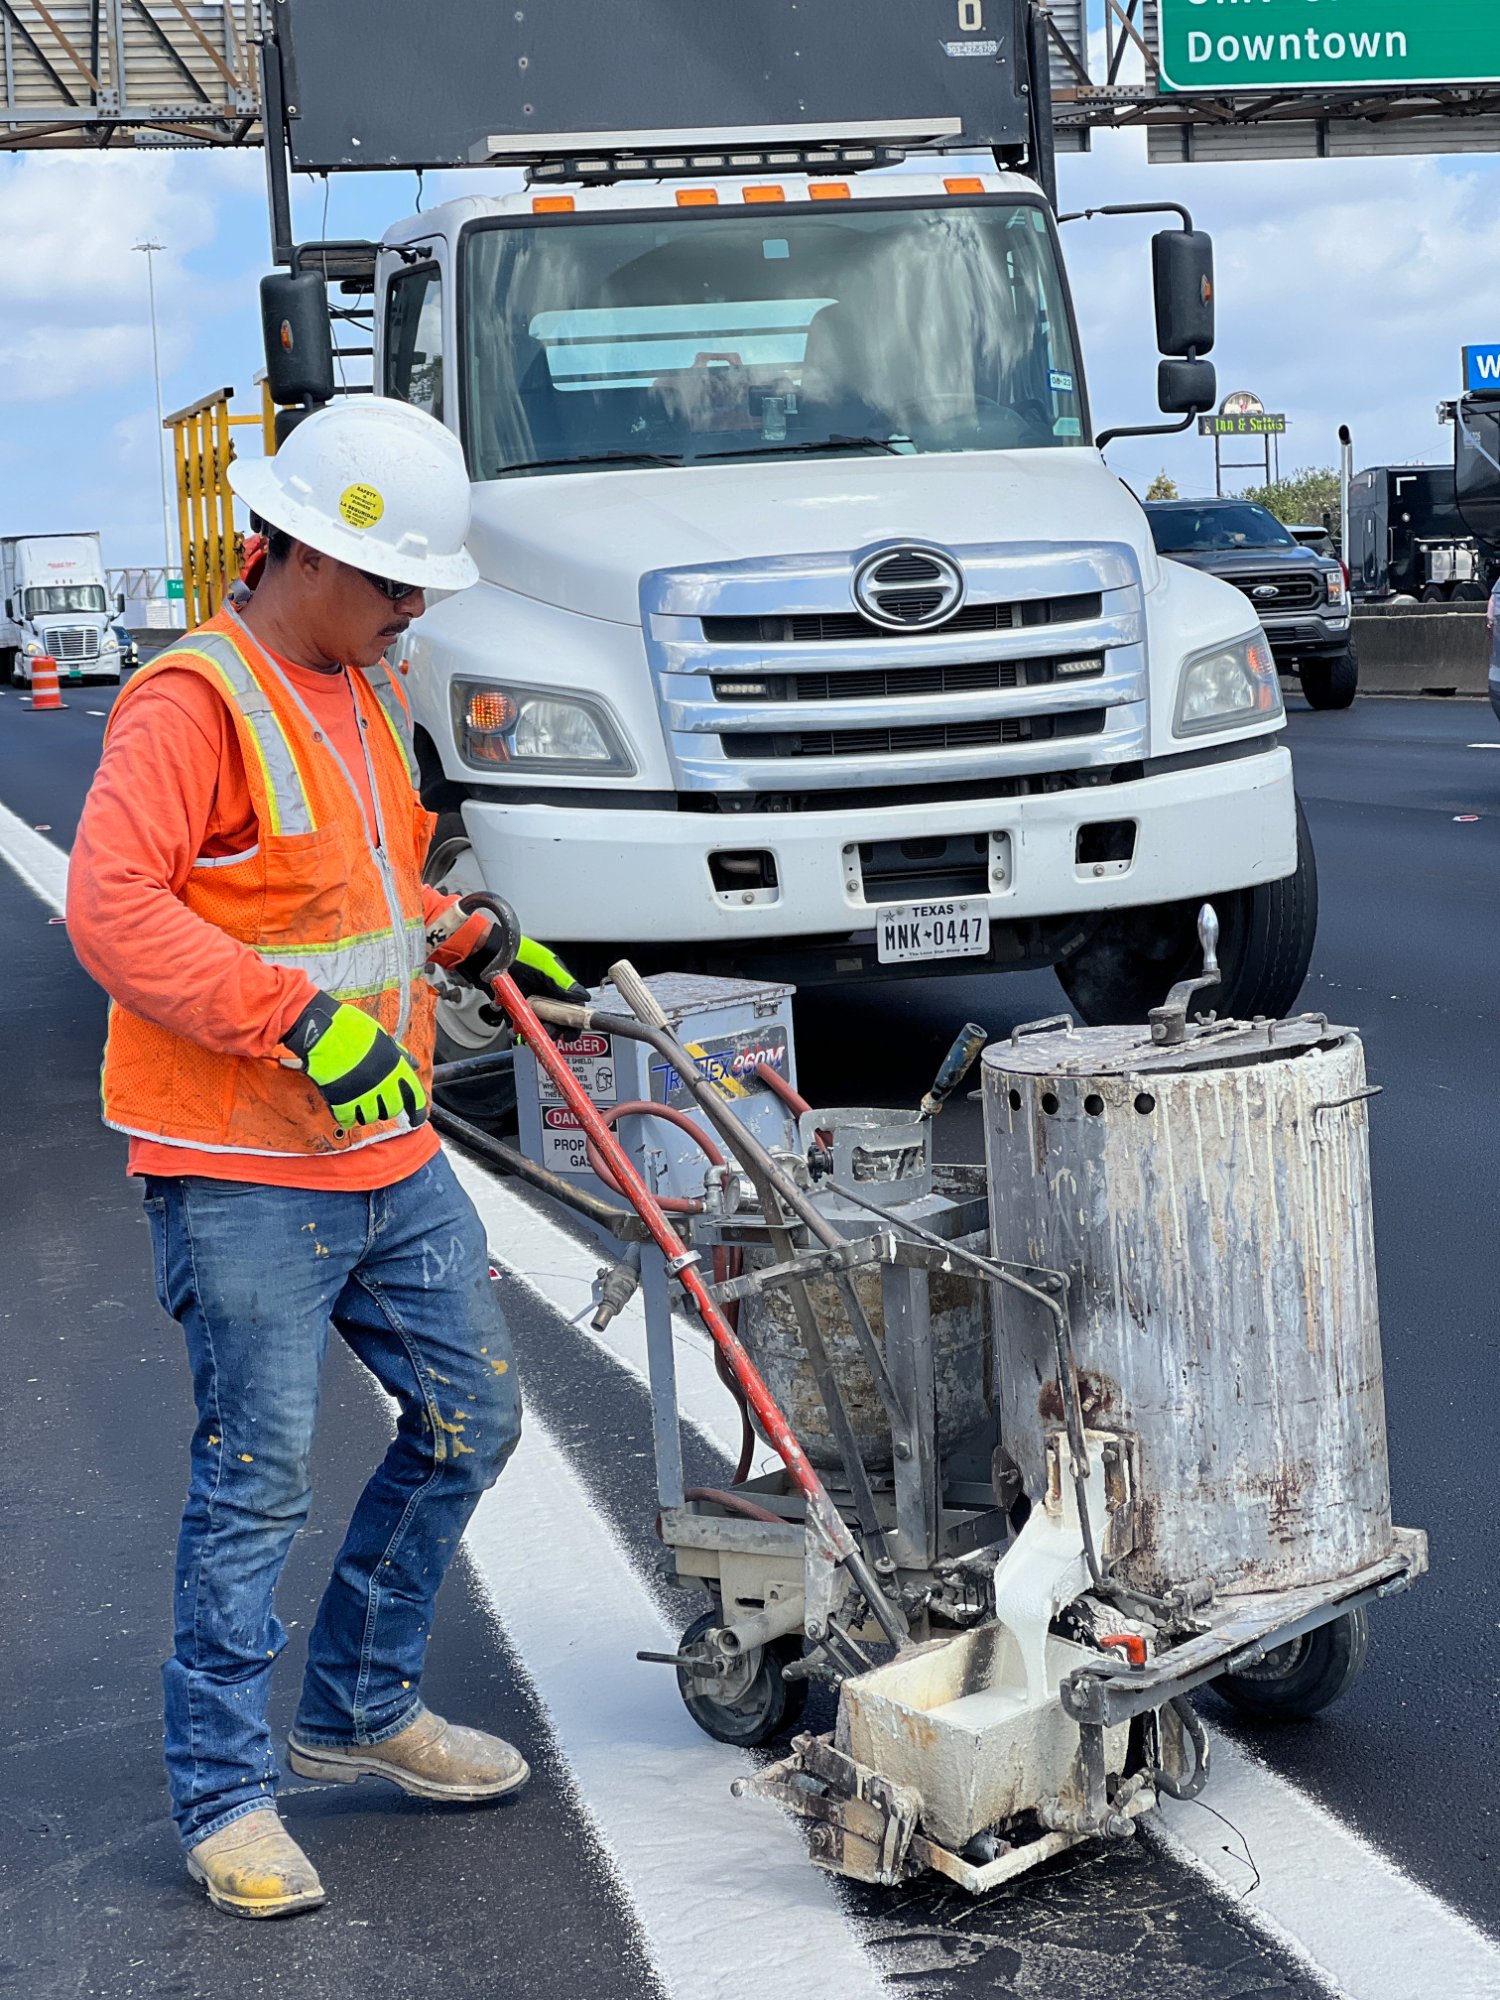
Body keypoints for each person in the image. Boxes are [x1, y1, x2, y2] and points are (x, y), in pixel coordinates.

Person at [67, 397, 585, 1921]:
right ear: (299, 551)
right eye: (393, 581)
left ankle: (360, 1703)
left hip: (384, 1152)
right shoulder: (190, 703)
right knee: (258, 1484)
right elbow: (116, 911)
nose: (414, 606)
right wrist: (296, 1024)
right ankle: (226, 1795)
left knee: (470, 1421)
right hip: (239, 1164)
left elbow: (353, 883)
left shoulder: (360, 684)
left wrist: (462, 932)